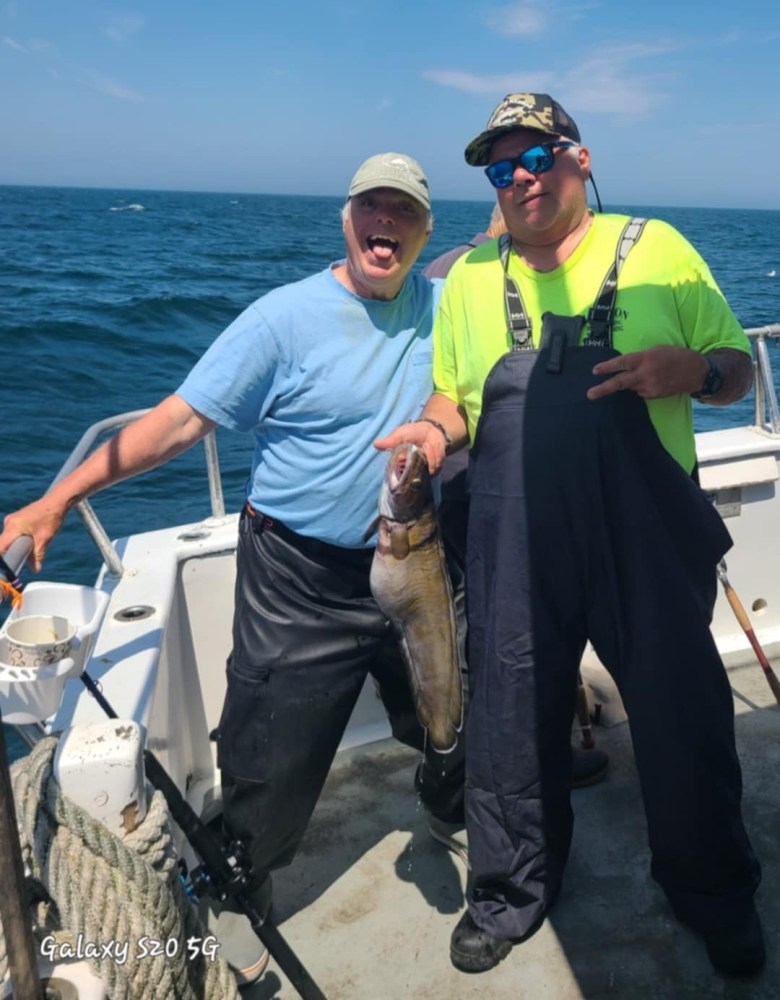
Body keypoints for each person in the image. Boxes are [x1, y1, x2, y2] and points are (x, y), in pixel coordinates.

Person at [0, 152, 467, 983]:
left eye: (405, 211)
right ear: (347, 220)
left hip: (416, 555)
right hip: (301, 577)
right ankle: (237, 881)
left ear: (428, 230)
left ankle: (449, 795)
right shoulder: (281, 320)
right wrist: (58, 499)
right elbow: (177, 426)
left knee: (446, 699)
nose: (385, 222)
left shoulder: (446, 309)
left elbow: (487, 289)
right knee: (272, 749)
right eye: (372, 207)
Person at [376, 93, 763, 978]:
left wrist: (693, 370)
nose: (519, 180)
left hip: (646, 541)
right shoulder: (469, 279)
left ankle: (715, 891)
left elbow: (739, 372)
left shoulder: (657, 251)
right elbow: (456, 395)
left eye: (535, 158)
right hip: (520, 547)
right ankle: (511, 891)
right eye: (500, 168)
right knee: (510, 719)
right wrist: (433, 434)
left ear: (578, 161)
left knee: (683, 719)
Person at [424, 204, 611, 794]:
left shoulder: (439, 269)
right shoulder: (477, 273)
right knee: (508, 639)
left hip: (453, 477)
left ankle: (498, 763)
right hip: (486, 481)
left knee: (486, 633)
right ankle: (519, 762)